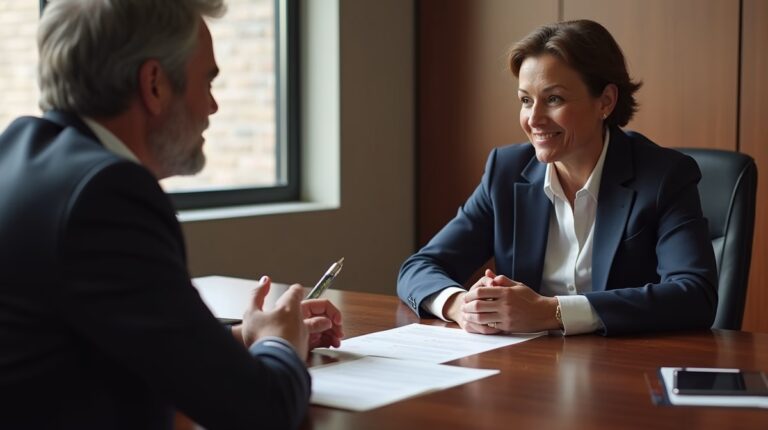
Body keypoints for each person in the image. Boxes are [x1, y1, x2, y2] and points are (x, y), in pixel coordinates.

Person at [0, 1, 343, 429]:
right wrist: (282, 345)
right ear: (155, 84)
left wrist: (247, 336)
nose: (213, 107)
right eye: (207, 81)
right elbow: (260, 412)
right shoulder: (105, 196)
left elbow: (122, 340)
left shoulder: (19, 153)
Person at [397, 19, 717, 336]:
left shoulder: (664, 176)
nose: (534, 119)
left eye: (554, 99)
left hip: (623, 368)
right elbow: (419, 268)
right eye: (526, 100)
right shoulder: (505, 172)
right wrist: (461, 306)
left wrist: (553, 312)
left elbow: (694, 294)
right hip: (527, 365)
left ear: (605, 101)